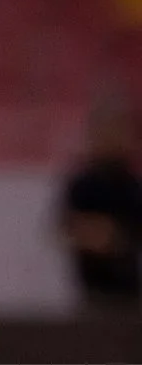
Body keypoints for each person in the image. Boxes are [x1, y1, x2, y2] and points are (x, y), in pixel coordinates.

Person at [60, 106, 142, 315]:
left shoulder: (132, 185)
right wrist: (93, 233)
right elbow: (66, 229)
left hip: (130, 294)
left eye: (117, 130)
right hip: (91, 294)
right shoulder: (82, 184)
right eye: (106, 131)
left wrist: (114, 236)